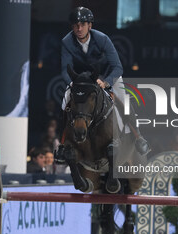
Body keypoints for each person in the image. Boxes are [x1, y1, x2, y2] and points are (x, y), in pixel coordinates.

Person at [55, 6, 149, 162]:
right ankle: (63, 144)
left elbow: (117, 67)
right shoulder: (67, 41)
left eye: (83, 24)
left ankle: (138, 136)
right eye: (76, 25)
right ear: (72, 26)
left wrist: (105, 81)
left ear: (89, 26)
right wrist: (73, 83)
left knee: (124, 102)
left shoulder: (102, 39)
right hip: (81, 81)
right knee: (65, 101)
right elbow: (65, 70)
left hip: (107, 76)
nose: (79, 28)